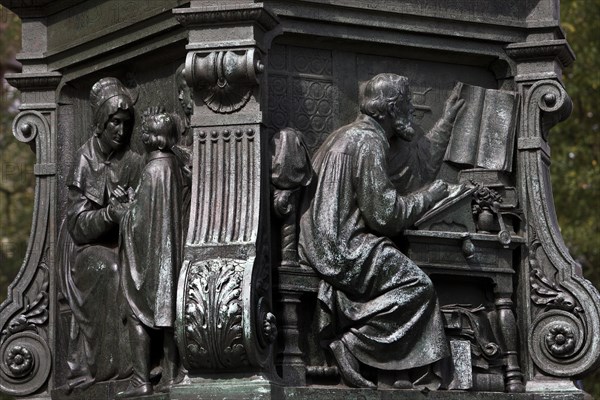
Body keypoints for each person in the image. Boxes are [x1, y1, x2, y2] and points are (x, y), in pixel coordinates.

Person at [298, 73, 464, 389]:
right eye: (406, 104)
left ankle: (398, 372)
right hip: (343, 249)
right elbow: (385, 216)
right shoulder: (369, 142)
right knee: (418, 287)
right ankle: (352, 345)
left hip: (323, 242)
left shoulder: (349, 135)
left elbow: (415, 170)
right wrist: (431, 196)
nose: (412, 111)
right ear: (390, 109)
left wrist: (448, 120)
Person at [59, 77, 143, 389]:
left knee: (142, 271)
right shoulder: (85, 158)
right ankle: (109, 369)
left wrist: (132, 206)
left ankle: (145, 366)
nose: (121, 132)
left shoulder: (133, 161)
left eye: (126, 124)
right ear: (100, 124)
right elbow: (78, 226)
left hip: (126, 243)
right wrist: (110, 213)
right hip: (86, 249)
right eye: (114, 124)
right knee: (114, 269)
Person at [116, 109, 184, 398]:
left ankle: (141, 379)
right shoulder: (174, 165)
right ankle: (172, 375)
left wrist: (124, 209)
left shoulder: (152, 169)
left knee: (135, 309)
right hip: (172, 255)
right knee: (170, 316)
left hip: (152, 259)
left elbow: (139, 219)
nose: (140, 137)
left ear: (154, 140)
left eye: (145, 133)